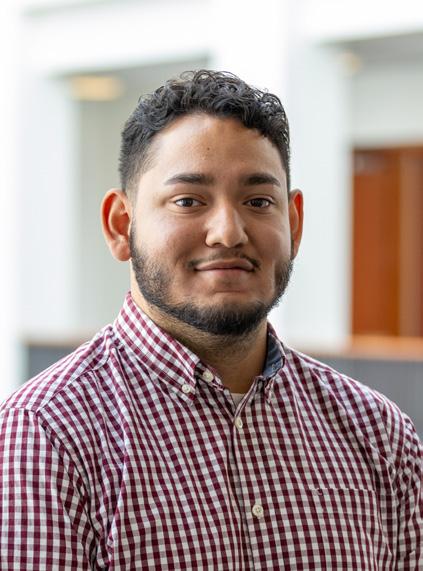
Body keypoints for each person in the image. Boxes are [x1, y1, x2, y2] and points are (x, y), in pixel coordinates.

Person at [0, 70, 421, 570]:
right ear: (121, 225)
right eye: (188, 201)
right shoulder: (46, 435)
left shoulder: (379, 434)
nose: (228, 232)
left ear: (294, 223)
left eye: (258, 201)